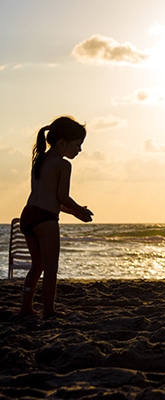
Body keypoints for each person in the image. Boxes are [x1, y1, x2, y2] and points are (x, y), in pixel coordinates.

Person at [18, 116, 94, 318]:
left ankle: (26, 307)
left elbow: (52, 201)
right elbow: (62, 197)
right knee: (50, 268)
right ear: (62, 142)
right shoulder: (63, 165)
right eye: (78, 145)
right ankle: (49, 310)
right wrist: (81, 210)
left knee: (37, 265)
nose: (79, 150)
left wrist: (75, 212)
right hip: (45, 220)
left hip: (29, 215)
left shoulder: (40, 160)